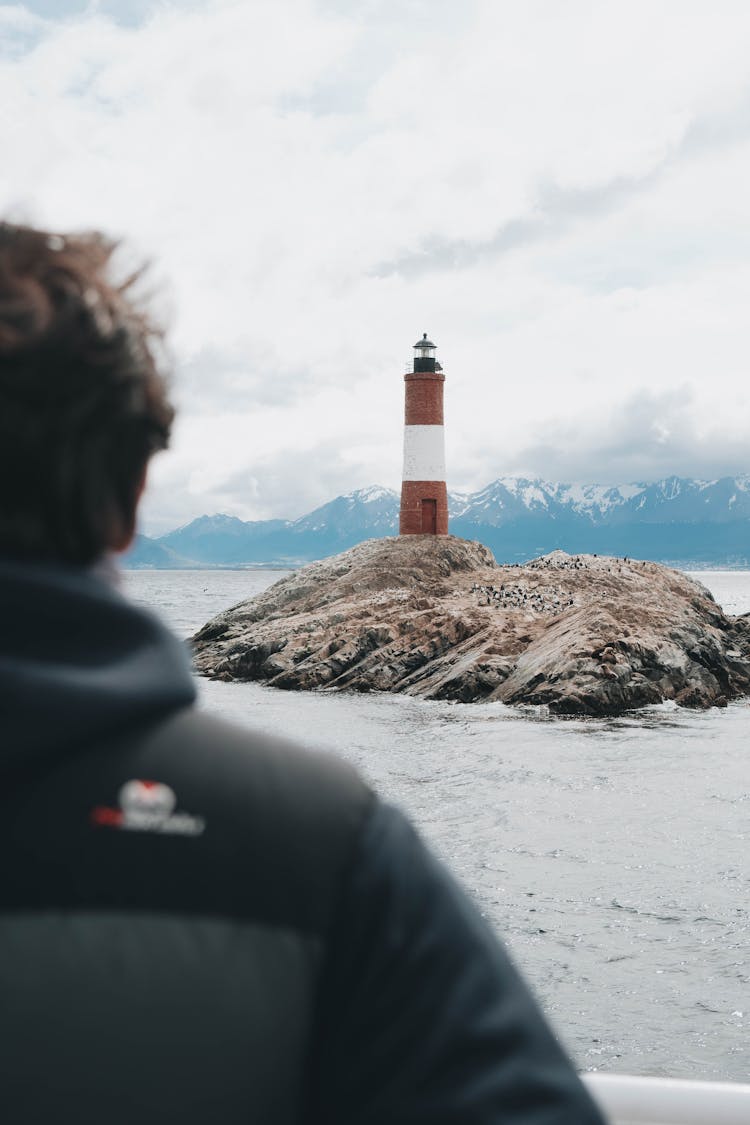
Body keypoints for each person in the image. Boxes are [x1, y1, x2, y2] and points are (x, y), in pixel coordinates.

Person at [0, 221, 605, 1124]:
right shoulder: (319, 846)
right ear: (129, 499)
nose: (426, 365)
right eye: (424, 363)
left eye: (427, 363)